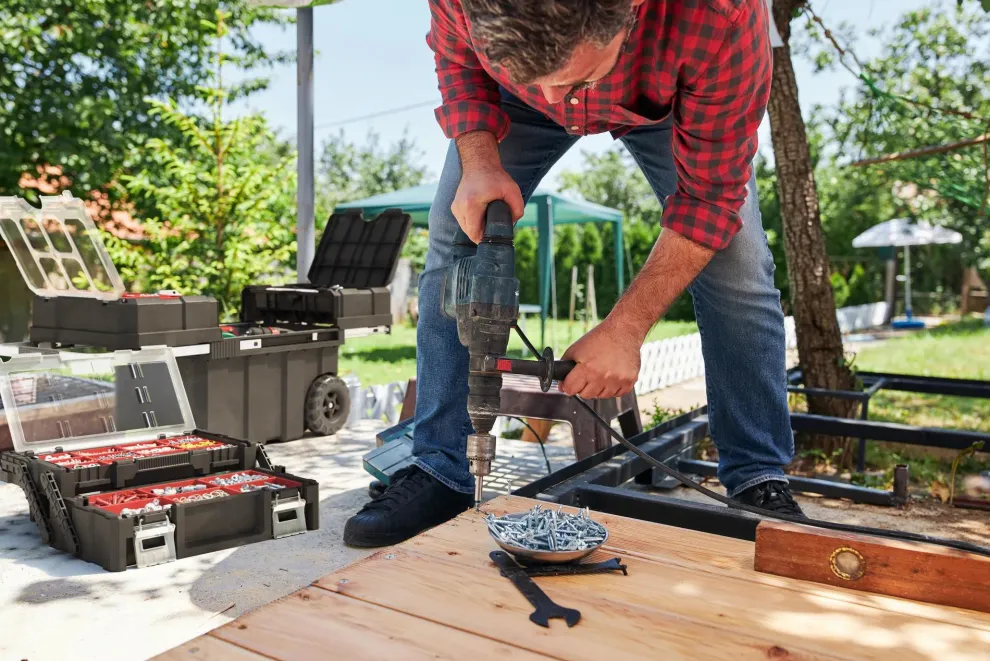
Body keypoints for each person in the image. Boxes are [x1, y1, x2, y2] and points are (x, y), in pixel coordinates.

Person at [344, 0, 804, 548]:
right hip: (512, 101)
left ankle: (756, 478)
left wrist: (625, 328)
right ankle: (442, 468)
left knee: (738, 264)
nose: (558, 103)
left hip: (667, 102)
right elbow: (458, 61)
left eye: (575, 80)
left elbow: (709, 200)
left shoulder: (721, 15)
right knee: (455, 232)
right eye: (541, 82)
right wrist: (482, 163)